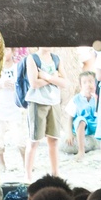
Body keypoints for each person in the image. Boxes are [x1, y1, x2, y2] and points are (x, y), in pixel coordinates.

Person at [24, 46, 67, 181]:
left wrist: (45, 76)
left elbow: (65, 82)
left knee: (53, 139)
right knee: (34, 140)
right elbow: (34, 83)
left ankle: (55, 173)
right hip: (37, 102)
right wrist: (54, 78)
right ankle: (28, 175)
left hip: (54, 102)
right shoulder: (32, 58)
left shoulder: (56, 58)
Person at [64, 71, 99, 162]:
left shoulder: (98, 98)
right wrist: (69, 133)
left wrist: (96, 100)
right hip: (82, 124)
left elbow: (99, 114)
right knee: (81, 120)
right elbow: (69, 118)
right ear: (81, 85)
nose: (88, 85)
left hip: (94, 123)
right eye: (85, 82)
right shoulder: (76, 99)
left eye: (91, 81)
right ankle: (81, 150)